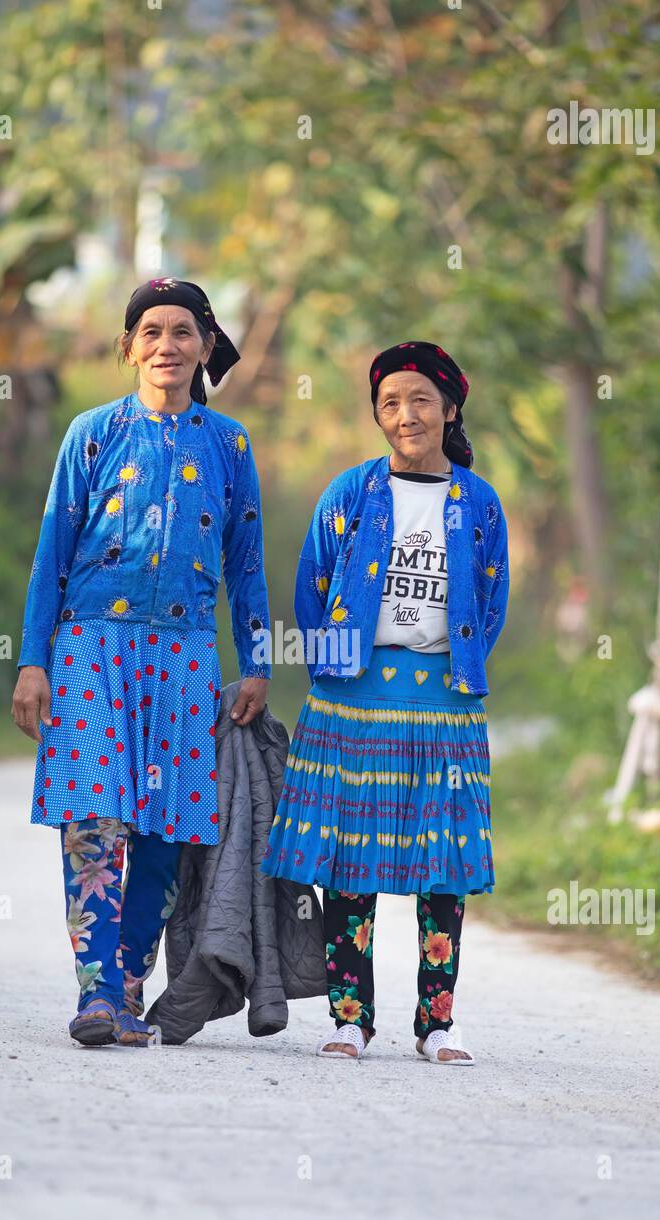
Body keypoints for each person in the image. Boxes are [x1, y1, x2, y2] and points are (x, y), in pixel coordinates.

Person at [11, 276, 271, 1047]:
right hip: (92, 648)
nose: (166, 345)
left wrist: (255, 662)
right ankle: (95, 992)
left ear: (205, 347)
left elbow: (247, 562)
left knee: (163, 827)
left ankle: (127, 989)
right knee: (94, 816)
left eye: (182, 332)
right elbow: (51, 554)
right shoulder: (91, 434)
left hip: (187, 656)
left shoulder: (229, 445)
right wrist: (33, 662)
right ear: (128, 347)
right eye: (150, 331)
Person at [260, 341, 509, 1064]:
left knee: (445, 869)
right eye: (391, 403)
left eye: (421, 401)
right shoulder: (350, 493)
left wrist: (455, 667)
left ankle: (437, 1023)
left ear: (450, 408)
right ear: (378, 413)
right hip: (352, 698)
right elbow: (312, 591)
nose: (406, 415)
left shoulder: (479, 502)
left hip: (444, 701)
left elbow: (489, 601)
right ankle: (350, 1018)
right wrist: (336, 670)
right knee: (348, 862)